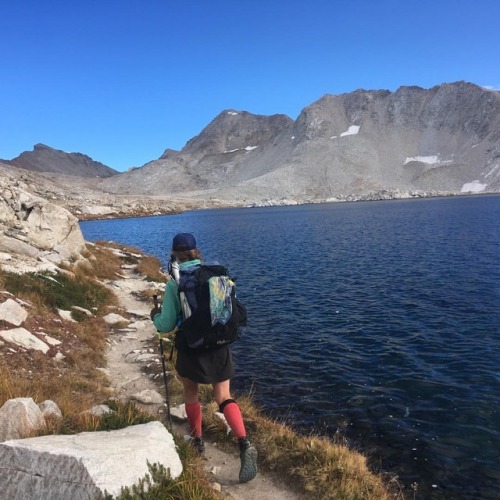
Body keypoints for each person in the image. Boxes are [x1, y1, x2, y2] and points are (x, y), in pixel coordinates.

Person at [150, 232, 258, 483]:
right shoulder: (216, 275)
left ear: (174, 254)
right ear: (196, 251)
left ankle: (197, 442)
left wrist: (155, 318)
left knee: (191, 394)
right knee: (224, 396)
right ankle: (244, 442)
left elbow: (165, 324)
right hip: (220, 345)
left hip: (192, 347)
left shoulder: (175, 283)